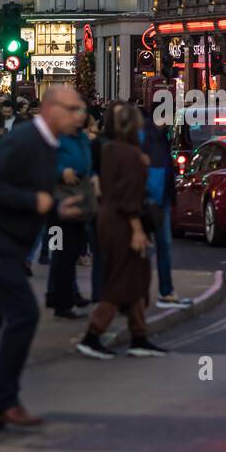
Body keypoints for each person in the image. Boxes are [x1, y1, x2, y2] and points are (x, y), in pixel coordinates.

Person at [0, 84, 85, 430]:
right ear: (52, 109)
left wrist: (56, 205)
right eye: (73, 109)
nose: (79, 116)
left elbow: (29, 190)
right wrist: (35, 203)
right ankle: (4, 400)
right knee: (23, 314)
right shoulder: (25, 140)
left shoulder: (46, 144)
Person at [78, 102, 165, 361]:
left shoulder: (111, 149)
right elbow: (129, 198)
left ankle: (139, 336)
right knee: (121, 280)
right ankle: (92, 336)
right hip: (122, 223)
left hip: (109, 218)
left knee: (136, 278)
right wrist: (138, 229)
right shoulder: (131, 156)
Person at [46, 98, 95, 319]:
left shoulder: (82, 138)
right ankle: (59, 297)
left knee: (70, 251)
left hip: (79, 197)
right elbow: (46, 162)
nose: (80, 115)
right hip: (59, 201)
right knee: (60, 251)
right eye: (76, 111)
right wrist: (61, 171)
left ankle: (67, 293)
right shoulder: (58, 137)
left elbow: (88, 164)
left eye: (82, 111)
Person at [141, 95, 191, 309]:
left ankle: (165, 291)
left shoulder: (162, 136)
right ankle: (140, 295)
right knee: (146, 250)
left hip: (161, 201)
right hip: (147, 201)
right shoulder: (145, 136)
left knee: (164, 246)